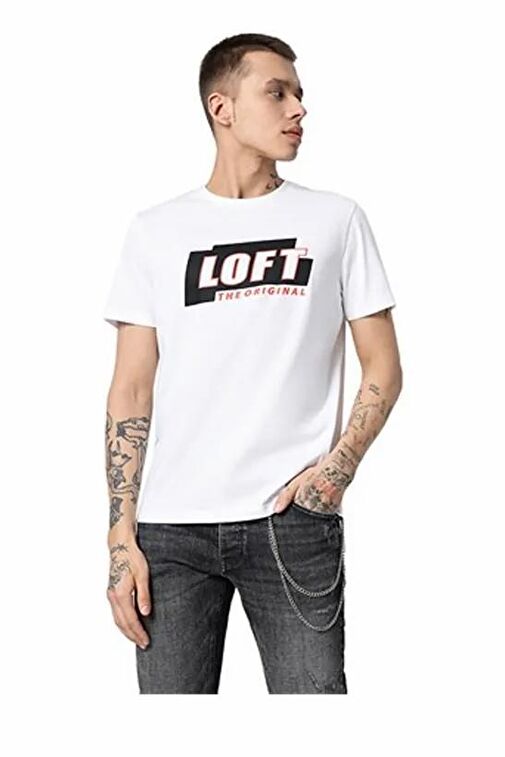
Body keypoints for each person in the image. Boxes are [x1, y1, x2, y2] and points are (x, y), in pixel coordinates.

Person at [103, 32, 402, 695]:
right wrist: (120, 535)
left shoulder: (335, 220)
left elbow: (383, 364)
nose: (299, 108)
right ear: (223, 107)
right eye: (277, 92)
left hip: (291, 524)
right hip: (170, 533)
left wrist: (335, 474)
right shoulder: (156, 231)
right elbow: (131, 388)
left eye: (299, 94)